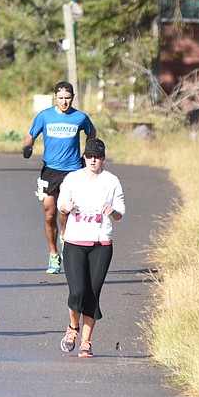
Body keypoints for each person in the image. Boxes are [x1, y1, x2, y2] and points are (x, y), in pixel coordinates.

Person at [56, 139, 124, 359]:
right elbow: (61, 203)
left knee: (93, 294)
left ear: (103, 158)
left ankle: (86, 341)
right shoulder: (73, 178)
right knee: (77, 292)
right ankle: (72, 328)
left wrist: (112, 211)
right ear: (84, 157)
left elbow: (120, 213)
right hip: (75, 241)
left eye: (97, 156)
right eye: (89, 156)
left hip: (101, 243)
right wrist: (66, 207)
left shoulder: (111, 181)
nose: (93, 160)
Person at [22, 81, 96, 274]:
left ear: (72, 98)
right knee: (49, 213)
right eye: (61, 98)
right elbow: (31, 135)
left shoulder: (80, 117)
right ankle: (53, 254)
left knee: (66, 213)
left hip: (72, 171)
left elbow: (92, 132)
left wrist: (88, 152)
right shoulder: (45, 116)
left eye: (68, 98)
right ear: (55, 96)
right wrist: (27, 146)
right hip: (50, 170)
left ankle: (65, 236)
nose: (64, 102)